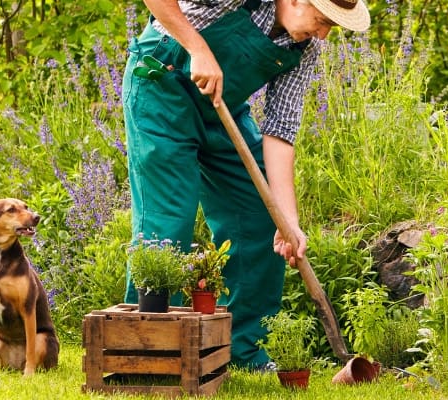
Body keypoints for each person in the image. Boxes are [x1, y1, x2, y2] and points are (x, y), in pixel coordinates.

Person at [120, 0, 370, 370]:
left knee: (261, 216)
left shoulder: (304, 50)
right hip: (161, 89)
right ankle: (148, 354)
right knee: (167, 225)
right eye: (321, 21)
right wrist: (198, 48)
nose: (322, 34)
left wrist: (289, 222)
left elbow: (280, 133)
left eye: (331, 27)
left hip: (221, 111)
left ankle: (239, 349)